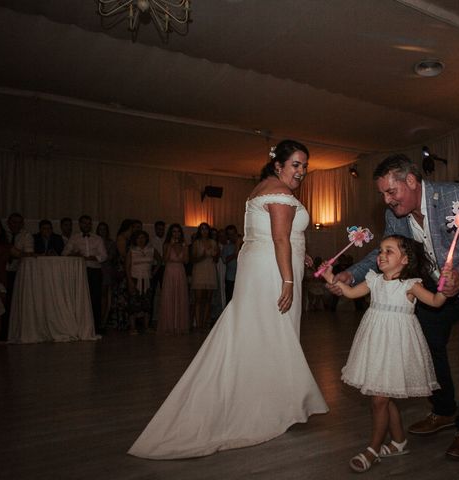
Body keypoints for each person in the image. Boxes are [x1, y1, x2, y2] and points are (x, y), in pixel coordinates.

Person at [128, 139, 328, 459]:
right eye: (296, 164)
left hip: (264, 267)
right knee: (274, 336)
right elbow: (278, 237)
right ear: (278, 165)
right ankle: (271, 406)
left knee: (260, 334)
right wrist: (288, 279)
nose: (301, 171)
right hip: (275, 273)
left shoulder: (261, 188)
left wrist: (299, 257)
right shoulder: (280, 192)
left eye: (305, 166)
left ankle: (270, 399)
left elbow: (273, 235)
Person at [327, 154, 459, 460]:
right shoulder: (396, 215)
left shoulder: (456, 195)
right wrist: (351, 274)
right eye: (382, 194)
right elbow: (385, 250)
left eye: (391, 192)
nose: (387, 200)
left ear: (411, 181)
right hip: (433, 286)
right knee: (428, 346)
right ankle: (444, 409)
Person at [321, 235, 449, 472]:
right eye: (380, 251)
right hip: (375, 344)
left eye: (389, 251)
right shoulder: (374, 281)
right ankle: (399, 442)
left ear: (405, 259)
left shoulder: (411, 285)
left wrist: (445, 287)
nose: (381, 255)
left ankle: (372, 449)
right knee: (384, 395)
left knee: (379, 399)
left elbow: (435, 301)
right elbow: (349, 293)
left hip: (397, 346)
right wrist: (330, 276)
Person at [62, 215, 107, 334]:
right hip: (80, 271)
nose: (86, 225)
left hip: (95, 271)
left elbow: (103, 256)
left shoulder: (97, 239)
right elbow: (65, 253)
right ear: (80, 224)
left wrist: (92, 257)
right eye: (84, 223)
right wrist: (76, 255)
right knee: (80, 298)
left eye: (88, 223)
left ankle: (95, 327)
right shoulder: (74, 238)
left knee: (95, 299)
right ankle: (80, 326)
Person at [4, 213, 34, 341]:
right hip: (1, 270)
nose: (15, 225)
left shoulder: (26, 235)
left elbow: (28, 254)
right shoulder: (3, 235)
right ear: (8, 223)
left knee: (12, 301)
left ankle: (9, 331)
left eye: (18, 222)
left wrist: (14, 251)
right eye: (13, 222)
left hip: (16, 272)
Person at [157, 223, 190, 335]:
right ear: (171, 233)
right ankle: (169, 326)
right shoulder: (166, 244)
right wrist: (171, 246)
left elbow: (186, 261)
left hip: (180, 271)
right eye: (174, 231)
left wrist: (185, 249)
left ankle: (179, 326)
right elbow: (164, 260)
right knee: (169, 297)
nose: (176, 234)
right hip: (169, 271)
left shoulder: (184, 245)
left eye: (178, 231)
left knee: (180, 296)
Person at [126, 230, 160, 334]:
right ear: (135, 239)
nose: (141, 240)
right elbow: (127, 267)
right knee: (133, 304)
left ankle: (146, 326)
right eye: (139, 238)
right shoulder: (132, 251)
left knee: (147, 303)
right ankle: (133, 327)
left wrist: (153, 272)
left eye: (143, 237)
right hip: (135, 279)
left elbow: (160, 261)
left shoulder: (151, 250)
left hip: (147, 279)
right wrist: (130, 281)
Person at [189, 222, 219, 330]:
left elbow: (216, 259)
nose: (204, 231)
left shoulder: (213, 242)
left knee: (208, 299)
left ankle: (205, 322)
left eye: (206, 229)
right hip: (199, 270)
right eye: (202, 229)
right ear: (199, 231)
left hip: (210, 270)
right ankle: (198, 324)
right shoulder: (196, 243)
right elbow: (192, 259)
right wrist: (203, 256)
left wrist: (214, 255)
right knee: (198, 299)